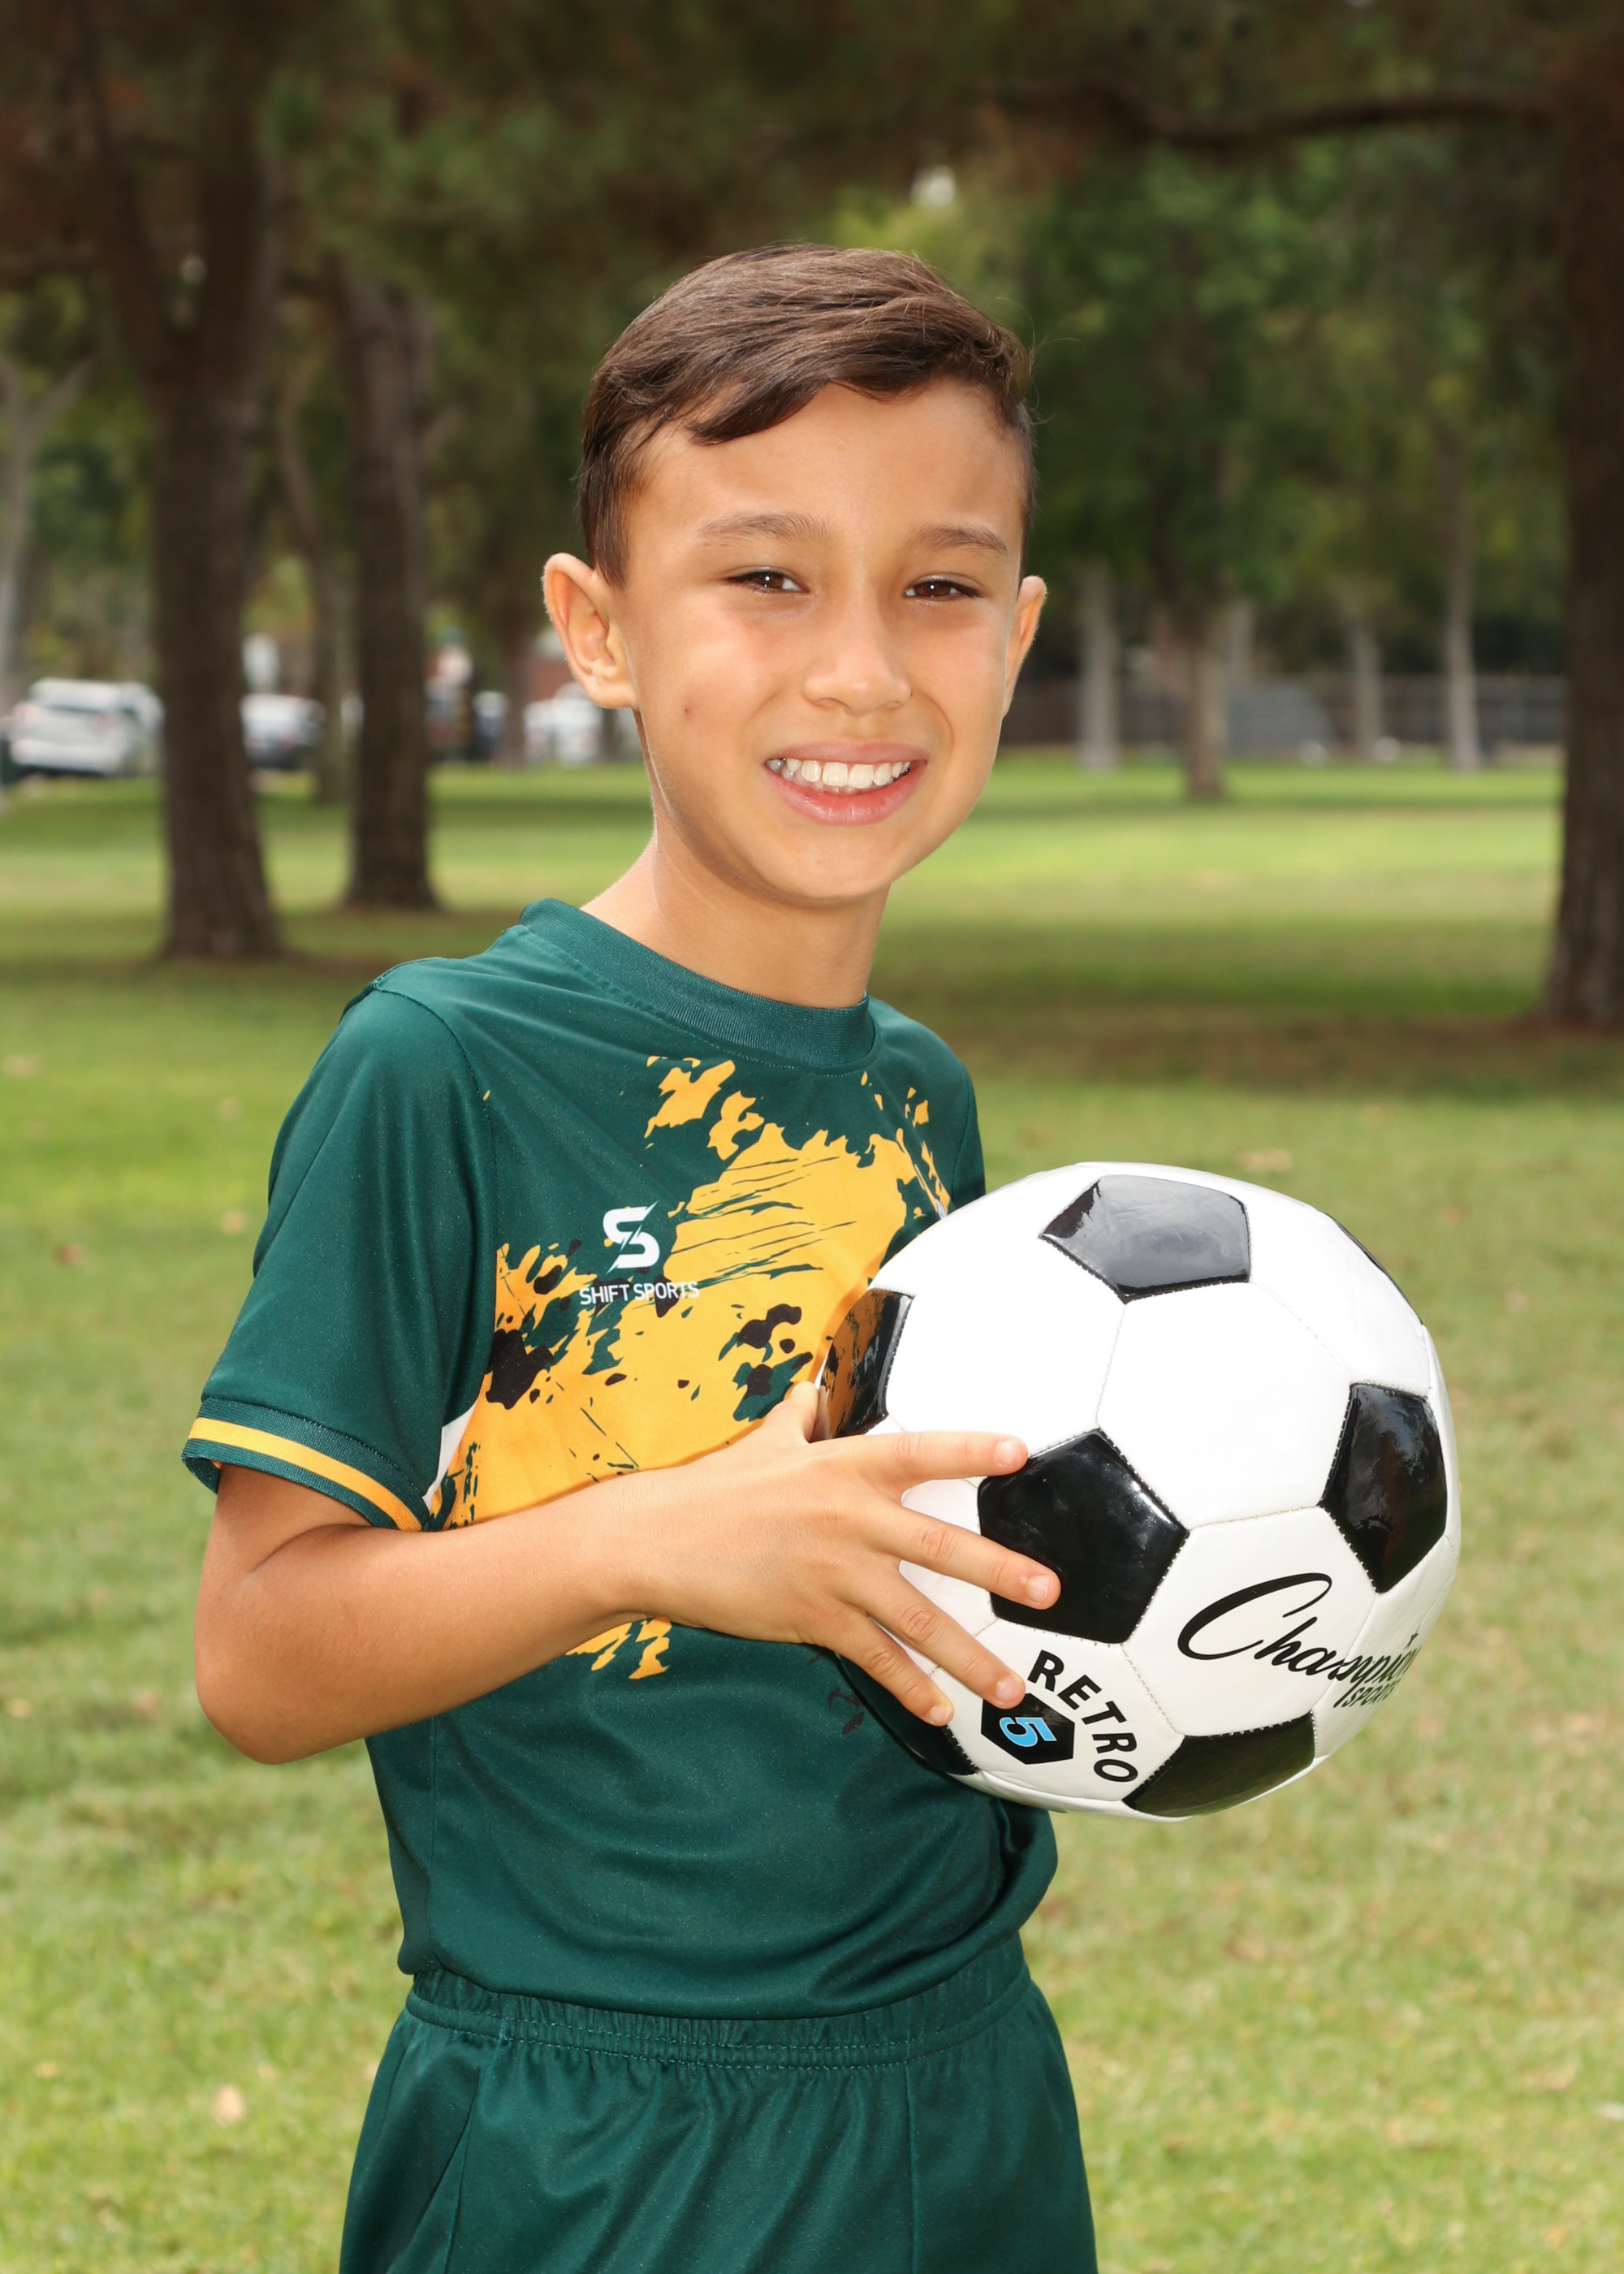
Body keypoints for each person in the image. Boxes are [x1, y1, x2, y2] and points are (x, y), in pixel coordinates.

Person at [188, 243, 1093, 2274]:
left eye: (939, 587)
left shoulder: (921, 1095)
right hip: (600, 2138)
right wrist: (650, 1538)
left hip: (962, 2084)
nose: (859, 670)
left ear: (1017, 636)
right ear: (595, 629)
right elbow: (256, 1654)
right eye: (765, 576)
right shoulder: (442, 1067)